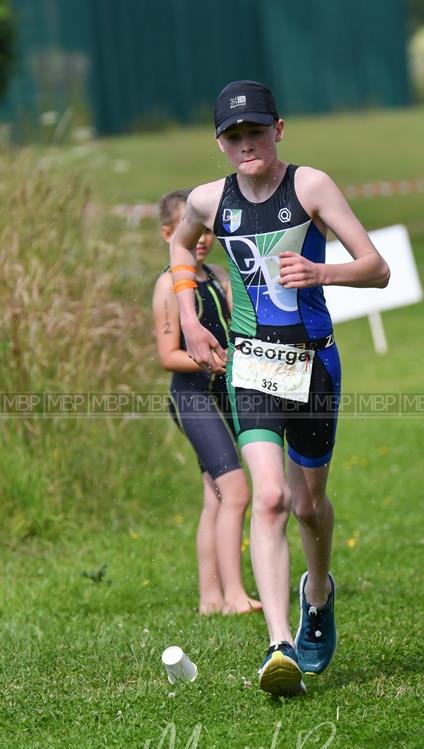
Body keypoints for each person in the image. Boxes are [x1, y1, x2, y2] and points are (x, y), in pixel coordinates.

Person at [170, 81, 390, 695]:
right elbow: (179, 243)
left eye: (257, 133)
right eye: (234, 137)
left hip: (314, 365)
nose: (247, 146)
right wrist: (190, 319)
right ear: (220, 143)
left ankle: (316, 594)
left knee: (307, 505)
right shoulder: (208, 200)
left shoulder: (311, 186)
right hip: (252, 367)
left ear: (279, 130)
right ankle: (279, 645)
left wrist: (324, 272)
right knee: (267, 499)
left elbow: (377, 268)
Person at [153, 189, 261, 615]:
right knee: (235, 490)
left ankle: (210, 598)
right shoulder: (167, 285)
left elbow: (239, 328)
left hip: (221, 391)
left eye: (204, 230)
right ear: (168, 234)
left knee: (215, 497)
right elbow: (167, 355)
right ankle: (235, 597)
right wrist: (216, 362)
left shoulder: (215, 276)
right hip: (192, 397)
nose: (198, 238)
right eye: (186, 230)